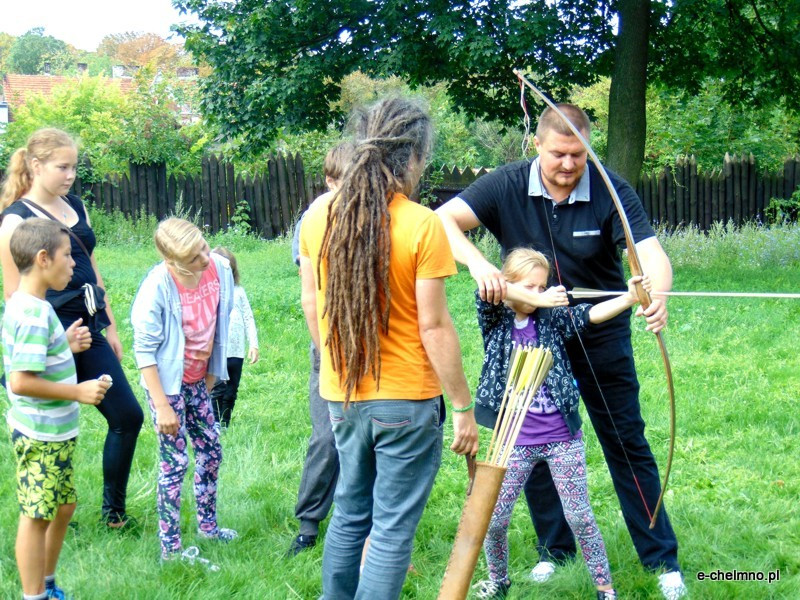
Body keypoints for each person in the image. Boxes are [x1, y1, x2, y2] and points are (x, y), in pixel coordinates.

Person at [435, 104, 687, 599]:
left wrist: (656, 297)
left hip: (599, 333)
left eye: (578, 154)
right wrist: (478, 264)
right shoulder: (505, 183)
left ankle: (660, 558)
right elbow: (441, 221)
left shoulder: (611, 188)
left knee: (626, 440)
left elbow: (650, 255)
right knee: (532, 439)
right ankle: (557, 549)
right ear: (537, 145)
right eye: (558, 154)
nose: (569, 165)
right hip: (531, 336)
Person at [299, 97, 478, 600]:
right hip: (407, 401)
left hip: (343, 395)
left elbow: (311, 305)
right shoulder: (422, 224)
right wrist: (462, 405)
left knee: (350, 512)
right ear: (413, 157)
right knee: (392, 528)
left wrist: (334, 368)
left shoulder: (319, 218)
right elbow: (435, 327)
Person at [473, 248, 652, 600]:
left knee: (580, 516)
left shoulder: (551, 320)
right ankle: (498, 581)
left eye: (543, 287)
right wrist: (536, 298)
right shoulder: (495, 318)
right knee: (493, 520)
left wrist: (630, 296)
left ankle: (605, 587)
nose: (538, 294)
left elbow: (591, 314)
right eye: (530, 287)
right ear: (510, 285)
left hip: (561, 438)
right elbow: (487, 288)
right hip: (513, 440)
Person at [0, 128, 144, 530]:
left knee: (127, 416)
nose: (70, 175)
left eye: (74, 167)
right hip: (49, 334)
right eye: (62, 167)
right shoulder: (14, 221)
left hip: (88, 325)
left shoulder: (75, 205)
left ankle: (113, 513)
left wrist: (109, 324)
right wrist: (58, 343)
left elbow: (92, 269)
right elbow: (16, 297)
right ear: (35, 165)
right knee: (50, 425)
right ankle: (49, 511)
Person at [3, 218, 111, 600]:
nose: (73, 265)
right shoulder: (33, 313)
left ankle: (47, 585)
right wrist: (77, 392)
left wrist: (62, 344)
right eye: (67, 256)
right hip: (41, 434)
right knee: (36, 517)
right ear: (44, 258)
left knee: (63, 507)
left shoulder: (33, 305)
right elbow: (21, 381)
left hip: (53, 433)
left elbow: (34, 358)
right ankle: (34, 596)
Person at [130, 218, 237, 568]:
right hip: (167, 386)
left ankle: (208, 527)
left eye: (203, 246)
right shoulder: (156, 287)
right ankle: (170, 548)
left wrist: (209, 374)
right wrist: (163, 407)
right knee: (175, 462)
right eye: (193, 257)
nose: (204, 258)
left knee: (211, 450)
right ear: (172, 261)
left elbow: (219, 322)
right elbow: (144, 351)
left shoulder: (219, 268)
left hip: (198, 380)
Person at [288, 141, 353, 556]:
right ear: (330, 181)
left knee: (369, 436)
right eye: (346, 182)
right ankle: (309, 524)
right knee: (327, 437)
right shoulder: (314, 220)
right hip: (329, 342)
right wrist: (324, 349)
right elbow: (311, 295)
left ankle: (361, 524)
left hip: (377, 344)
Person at [208, 246, 259, 429]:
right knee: (217, 388)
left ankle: (225, 423)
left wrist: (253, 344)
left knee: (231, 390)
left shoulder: (238, 291)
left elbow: (248, 317)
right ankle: (213, 424)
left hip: (236, 351)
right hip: (217, 350)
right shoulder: (210, 293)